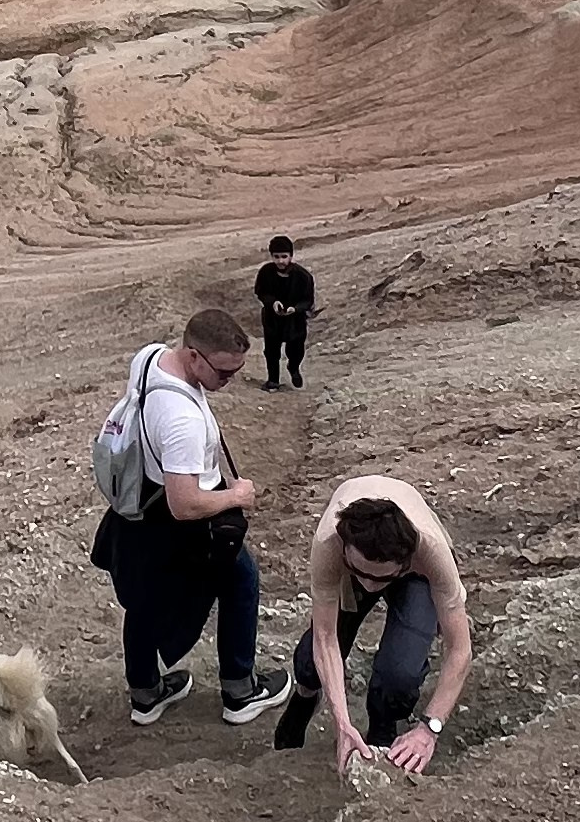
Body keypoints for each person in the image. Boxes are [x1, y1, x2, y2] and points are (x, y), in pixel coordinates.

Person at [100, 308, 291, 729]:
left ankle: (146, 693)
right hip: (182, 522)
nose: (230, 380)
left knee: (143, 598)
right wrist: (235, 495)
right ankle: (240, 691)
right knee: (242, 581)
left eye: (237, 370)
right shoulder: (182, 419)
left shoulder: (150, 357)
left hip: (139, 510)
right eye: (223, 371)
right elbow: (184, 504)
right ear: (193, 357)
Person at [274, 474, 471, 774]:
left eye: (379, 578)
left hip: (410, 574)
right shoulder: (329, 543)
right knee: (311, 662)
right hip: (351, 567)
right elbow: (326, 638)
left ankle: (383, 725)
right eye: (362, 574)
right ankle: (305, 696)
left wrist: (429, 729)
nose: (369, 586)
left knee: (400, 673)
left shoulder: (431, 552)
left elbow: (460, 649)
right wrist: (342, 722)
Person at [253, 236, 318, 389]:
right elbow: (260, 292)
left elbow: (308, 300)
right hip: (272, 319)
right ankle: (273, 380)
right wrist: (272, 302)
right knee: (271, 351)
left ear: (291, 256)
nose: (280, 261)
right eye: (276, 257)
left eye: (284, 256)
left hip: (295, 321)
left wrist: (295, 309)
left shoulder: (303, 276)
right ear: (271, 257)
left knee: (296, 350)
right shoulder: (265, 272)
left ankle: (294, 368)